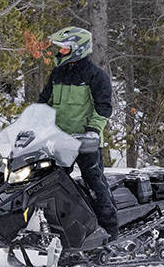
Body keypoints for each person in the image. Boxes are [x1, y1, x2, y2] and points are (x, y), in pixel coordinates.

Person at [38, 26, 119, 238]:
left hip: (85, 142)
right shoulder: (57, 74)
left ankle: (110, 232)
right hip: (59, 142)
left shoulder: (95, 76)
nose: (59, 52)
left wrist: (93, 131)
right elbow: (43, 102)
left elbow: (104, 108)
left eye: (64, 48)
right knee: (48, 184)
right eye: (60, 48)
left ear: (77, 48)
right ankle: (59, 231)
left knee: (94, 182)